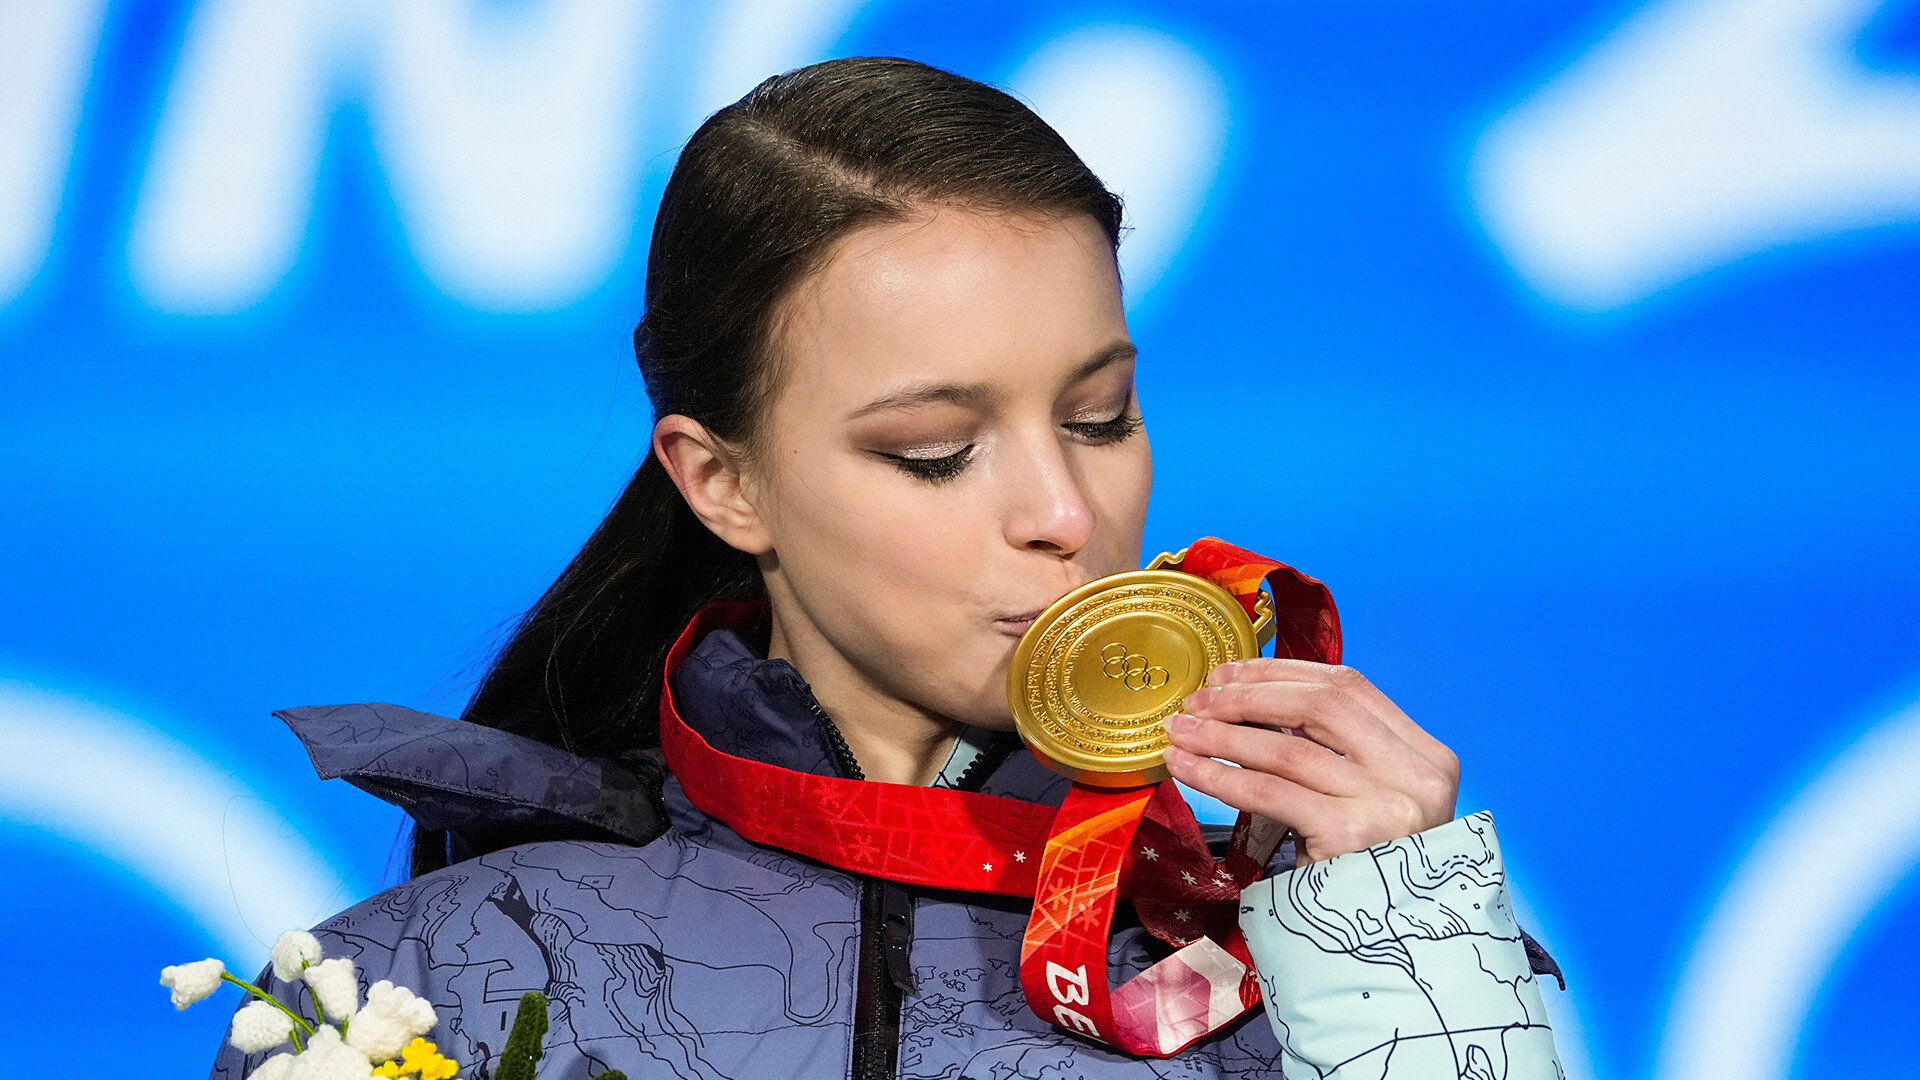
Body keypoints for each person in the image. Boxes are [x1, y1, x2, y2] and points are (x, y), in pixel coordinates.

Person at [212, 57, 1564, 1079]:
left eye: (1100, 417)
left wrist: (1413, 975)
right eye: (935, 449)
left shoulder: (1295, 957)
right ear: (721, 480)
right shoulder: (424, 984)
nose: (1061, 509)